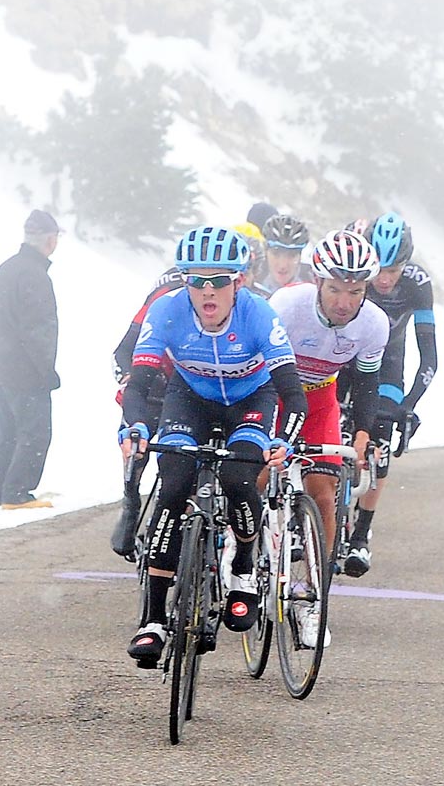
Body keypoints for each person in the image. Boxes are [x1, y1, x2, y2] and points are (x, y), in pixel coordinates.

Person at [117, 226, 306, 667]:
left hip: (250, 402)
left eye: (218, 280)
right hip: (191, 400)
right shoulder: (166, 311)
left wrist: (283, 440)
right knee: (173, 485)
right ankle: (153, 620)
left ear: (238, 282)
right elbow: (139, 386)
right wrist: (138, 426)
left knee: (240, 478)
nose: (207, 291)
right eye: (196, 280)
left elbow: (293, 395)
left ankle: (241, 566)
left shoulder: (259, 316)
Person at [268, 230, 389, 646]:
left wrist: (359, 437)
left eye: (354, 291)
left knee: (324, 491)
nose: (343, 301)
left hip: (320, 401)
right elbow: (254, 365)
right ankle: (242, 552)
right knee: (258, 477)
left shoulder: (374, 324)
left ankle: (314, 601)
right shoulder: (286, 305)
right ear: (318, 282)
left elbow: (368, 386)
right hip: (272, 394)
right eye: (335, 289)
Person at [339, 212, 437, 576]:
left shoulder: (417, 284)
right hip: (343, 358)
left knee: (378, 448)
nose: (383, 279)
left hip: (386, 365)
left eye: (393, 270)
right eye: (379, 268)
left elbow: (430, 357)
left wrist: (408, 406)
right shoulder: (353, 270)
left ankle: (361, 536)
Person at [109, 264, 187, 558]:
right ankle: (131, 500)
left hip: (188, 391)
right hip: (153, 384)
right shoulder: (160, 303)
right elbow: (122, 352)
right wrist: (130, 377)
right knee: (136, 448)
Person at [0, 210, 60, 510]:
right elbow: (37, 329)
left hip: (2, 367)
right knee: (34, 432)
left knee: (7, 431)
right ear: (50, 239)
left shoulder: (7, 269)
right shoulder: (35, 275)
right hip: (26, 370)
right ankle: (17, 493)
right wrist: (46, 371)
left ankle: (0, 495)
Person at [260, 213, 314, 292]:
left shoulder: (313, 284)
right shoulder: (250, 279)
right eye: (276, 254)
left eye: (291, 255)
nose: (283, 265)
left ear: (300, 256)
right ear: (266, 252)